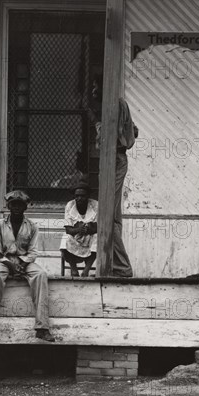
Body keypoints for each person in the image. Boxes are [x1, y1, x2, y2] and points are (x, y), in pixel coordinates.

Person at [0, 190, 55, 344]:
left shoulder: (32, 226)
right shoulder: (0, 225)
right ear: (8, 206)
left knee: (40, 274)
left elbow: (33, 251)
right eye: (13, 204)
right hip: (4, 261)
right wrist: (10, 264)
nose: (16, 207)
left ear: (25, 207)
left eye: (20, 205)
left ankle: (42, 328)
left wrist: (22, 264)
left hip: (24, 262)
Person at [90, 78, 138, 277]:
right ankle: (116, 265)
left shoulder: (114, 105)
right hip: (113, 159)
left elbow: (117, 135)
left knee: (107, 216)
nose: (93, 90)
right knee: (113, 216)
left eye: (95, 86)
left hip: (114, 159)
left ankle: (122, 266)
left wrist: (99, 125)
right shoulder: (115, 105)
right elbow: (133, 131)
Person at [60, 179, 98, 277]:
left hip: (90, 236)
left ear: (88, 196)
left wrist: (90, 229)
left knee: (98, 238)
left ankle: (86, 270)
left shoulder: (95, 205)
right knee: (65, 238)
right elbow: (68, 229)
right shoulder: (70, 205)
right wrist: (78, 230)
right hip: (76, 236)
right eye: (77, 196)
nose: (79, 198)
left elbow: (100, 226)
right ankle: (74, 269)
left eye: (82, 196)